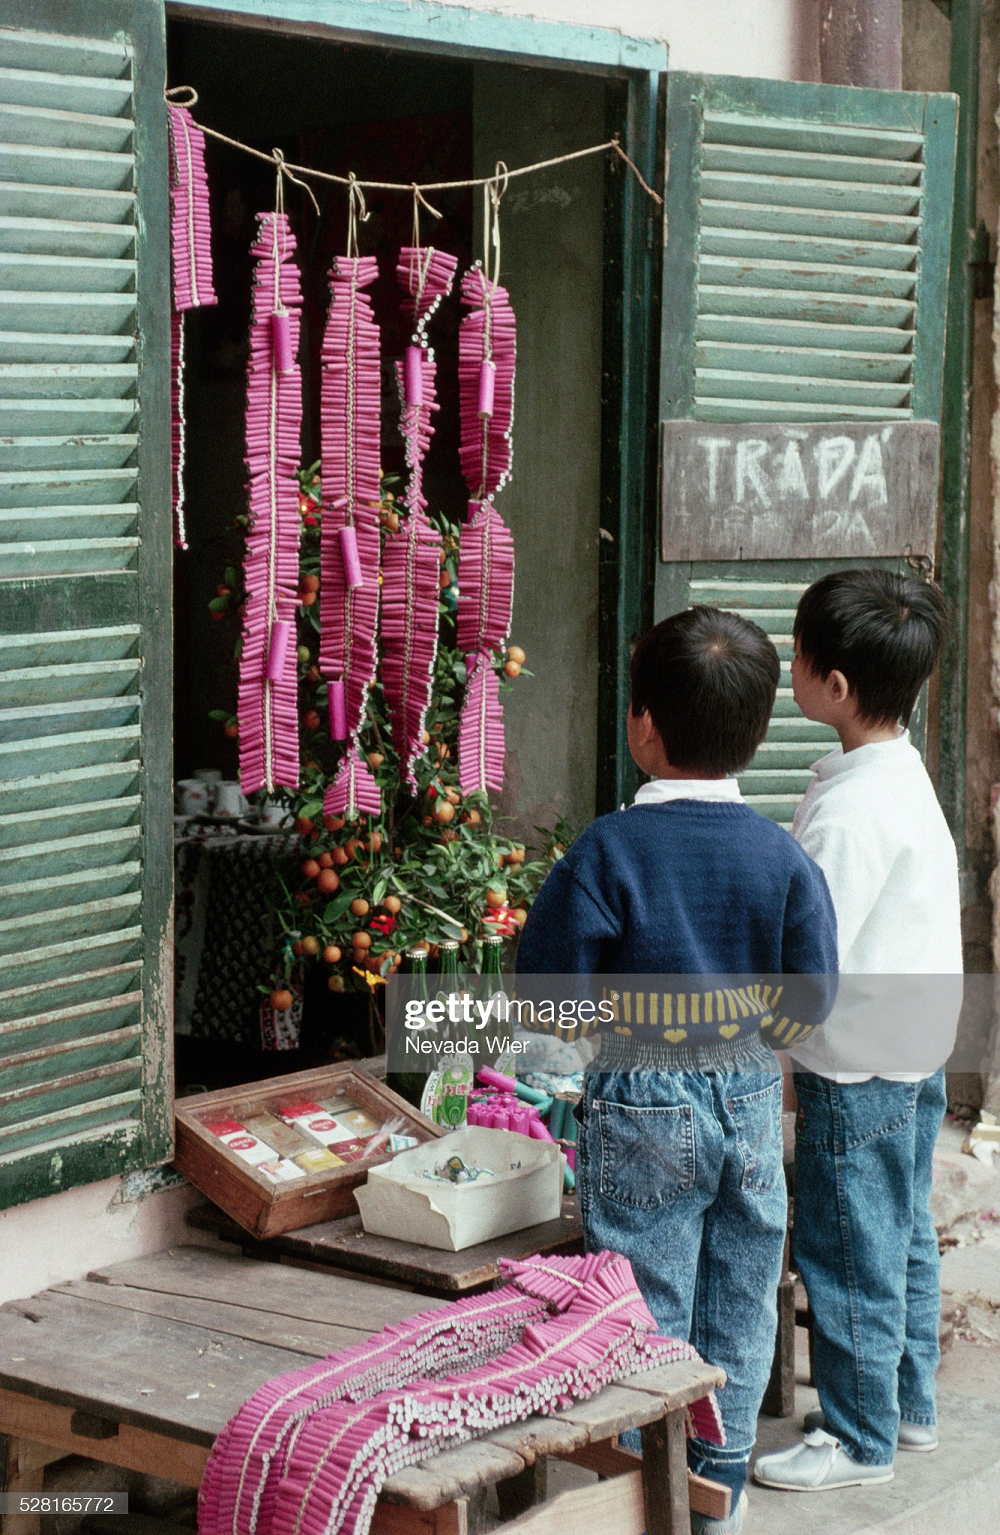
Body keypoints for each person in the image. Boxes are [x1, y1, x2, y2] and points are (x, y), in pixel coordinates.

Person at [516, 606, 838, 1535]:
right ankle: (717, 1506)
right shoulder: (782, 856)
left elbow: (549, 1001)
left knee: (643, 1301)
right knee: (741, 1291)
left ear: (642, 723)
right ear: (757, 732)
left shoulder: (606, 851)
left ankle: (642, 1499)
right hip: (745, 1090)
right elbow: (810, 1000)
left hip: (641, 1094)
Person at [753, 569, 961, 1496]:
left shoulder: (850, 812)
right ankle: (906, 1405)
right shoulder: (897, 770)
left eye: (798, 655)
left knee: (847, 1250)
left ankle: (857, 1435)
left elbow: (811, 958)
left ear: (832, 685)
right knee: (904, 1232)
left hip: (860, 1070)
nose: (789, 667)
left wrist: (767, 1047)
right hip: (915, 1049)